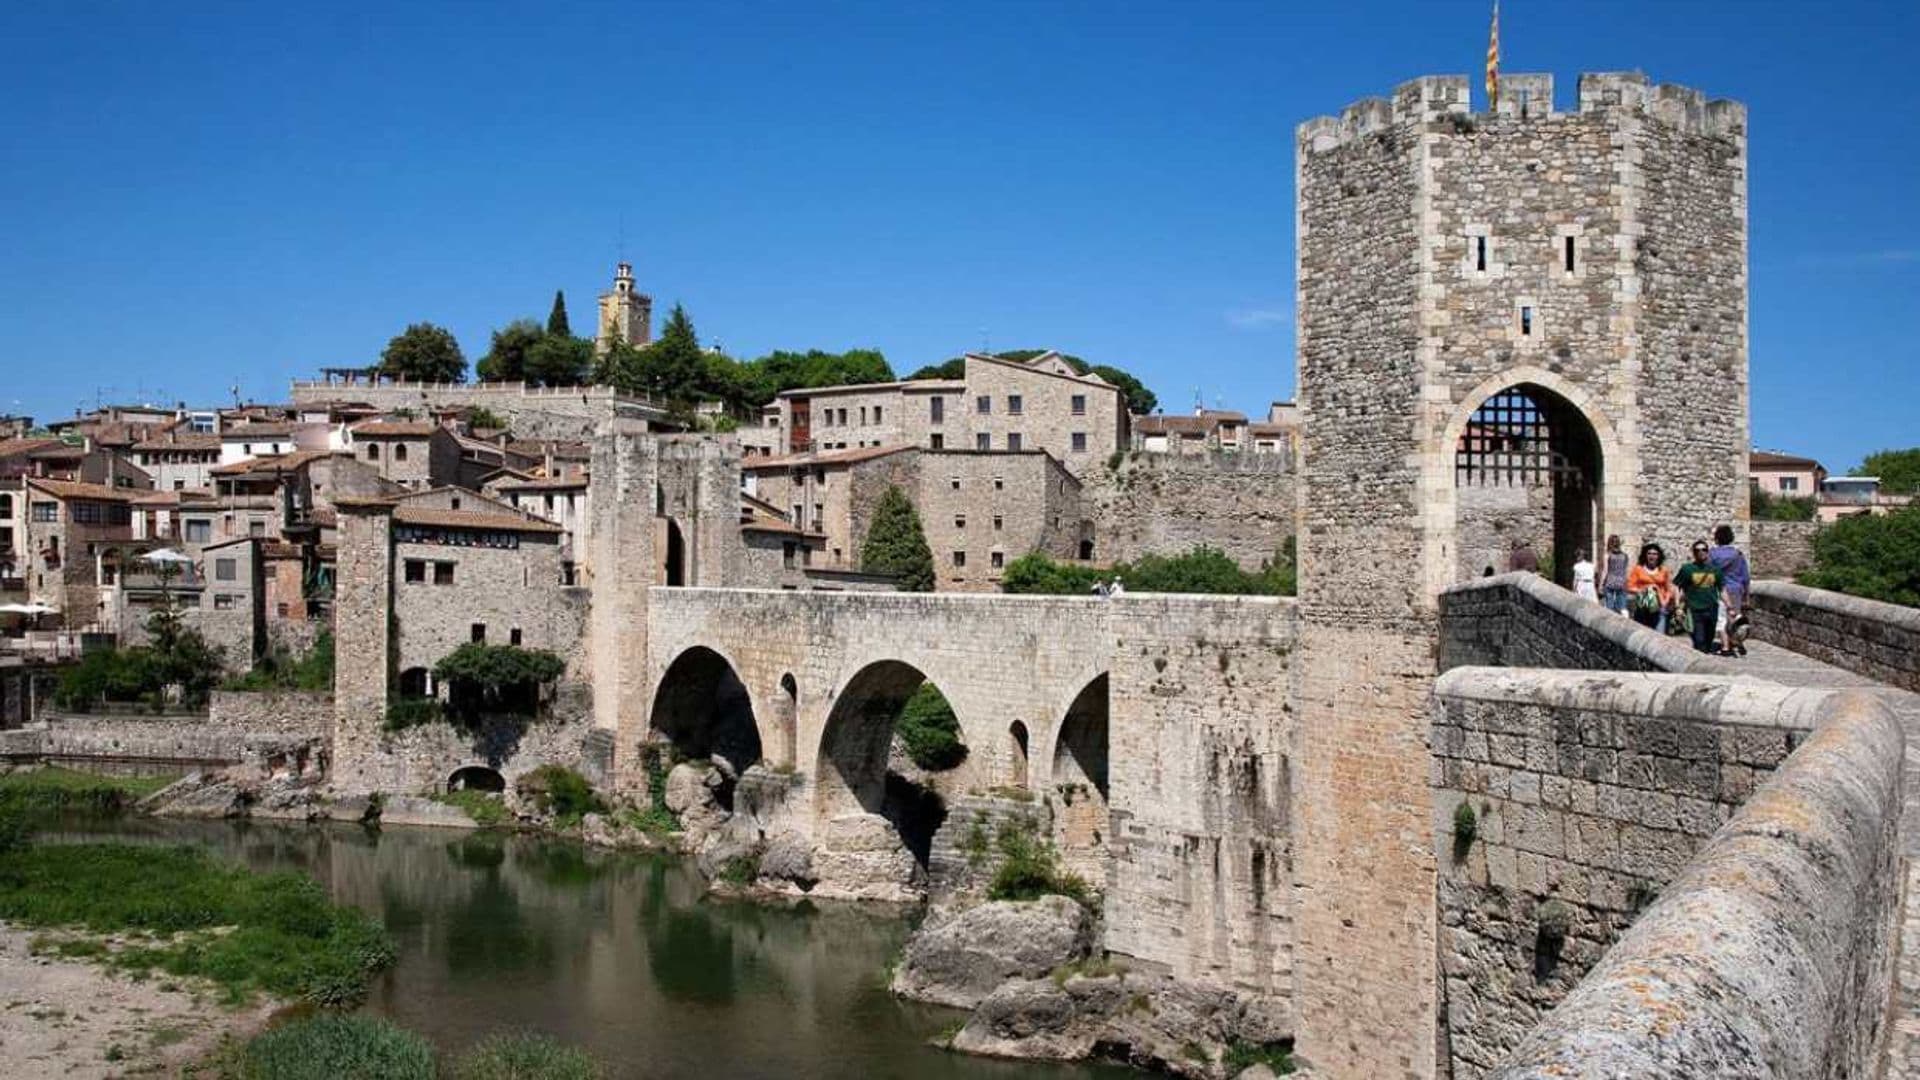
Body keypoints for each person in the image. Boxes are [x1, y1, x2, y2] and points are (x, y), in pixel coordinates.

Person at [1674, 540, 1726, 655]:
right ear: (1694, 553)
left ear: (1707, 552)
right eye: (1697, 550)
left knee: (1709, 638)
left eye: (1704, 550)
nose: (1701, 552)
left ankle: (1704, 654)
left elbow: (1722, 590)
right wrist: (1678, 606)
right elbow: (1677, 587)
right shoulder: (1687, 569)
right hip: (1694, 609)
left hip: (1712, 608)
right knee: (1699, 639)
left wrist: (1730, 606)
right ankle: (1700, 660)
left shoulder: (1715, 570)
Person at [1707, 524, 1750, 657]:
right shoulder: (1738, 555)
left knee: (1720, 618)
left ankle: (1726, 647)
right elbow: (1746, 577)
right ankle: (1735, 642)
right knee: (1734, 617)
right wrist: (1746, 596)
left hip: (1718, 589)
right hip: (1736, 589)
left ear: (1717, 539)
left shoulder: (1712, 554)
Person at [1625, 542, 1674, 633]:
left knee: (1659, 635)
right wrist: (1642, 590)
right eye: (1649, 553)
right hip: (1643, 607)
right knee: (1642, 634)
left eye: (1655, 554)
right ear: (1645, 555)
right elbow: (1629, 586)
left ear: (1659, 556)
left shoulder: (1664, 570)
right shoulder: (1638, 569)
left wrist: (1665, 602)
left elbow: (1669, 589)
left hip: (1659, 607)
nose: (1652, 556)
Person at [1600, 535, 1630, 615]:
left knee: (1609, 605)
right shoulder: (1625, 556)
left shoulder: (1607, 555)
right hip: (1621, 582)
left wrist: (1601, 584)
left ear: (1609, 543)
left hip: (1610, 582)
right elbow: (1625, 570)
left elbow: (1605, 571)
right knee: (1622, 606)